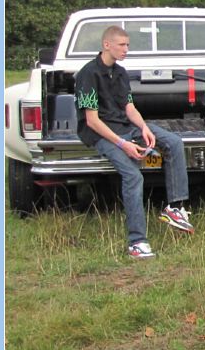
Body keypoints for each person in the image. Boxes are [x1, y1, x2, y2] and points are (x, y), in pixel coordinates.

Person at [74, 25, 194, 259]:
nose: (126, 49)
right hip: (102, 133)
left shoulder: (120, 73)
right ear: (106, 45)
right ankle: (137, 242)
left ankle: (175, 208)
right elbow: (92, 121)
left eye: (128, 45)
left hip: (125, 126)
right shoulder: (87, 74)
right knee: (133, 176)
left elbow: (129, 107)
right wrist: (123, 144)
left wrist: (144, 128)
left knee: (174, 142)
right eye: (122, 45)